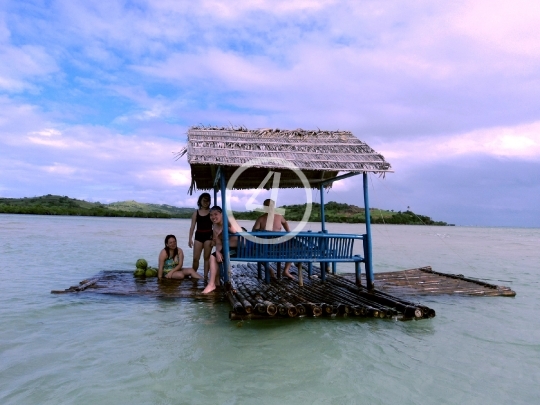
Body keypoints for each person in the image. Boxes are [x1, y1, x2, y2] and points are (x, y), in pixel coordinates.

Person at [203, 206, 242, 294]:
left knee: (213, 258)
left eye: (216, 214)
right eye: (211, 215)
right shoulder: (215, 226)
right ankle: (216, 284)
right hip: (226, 249)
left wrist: (225, 227)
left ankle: (212, 284)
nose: (213, 217)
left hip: (239, 250)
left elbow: (234, 231)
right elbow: (218, 242)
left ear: (222, 214)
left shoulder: (228, 221)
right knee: (214, 256)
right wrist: (217, 251)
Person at [252, 198, 294, 279]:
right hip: (267, 245)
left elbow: (254, 231)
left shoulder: (278, 216)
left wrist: (288, 231)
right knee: (256, 253)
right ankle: (271, 270)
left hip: (278, 244)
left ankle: (285, 270)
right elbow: (254, 231)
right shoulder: (262, 218)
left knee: (292, 250)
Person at [188, 193, 212, 280]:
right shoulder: (196, 213)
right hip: (198, 235)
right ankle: (193, 274)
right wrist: (190, 238)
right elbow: (192, 226)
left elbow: (216, 225)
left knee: (206, 258)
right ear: (200, 201)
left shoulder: (211, 212)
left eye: (208, 200)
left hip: (209, 235)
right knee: (195, 258)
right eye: (204, 200)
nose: (206, 202)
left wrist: (215, 239)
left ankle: (205, 277)